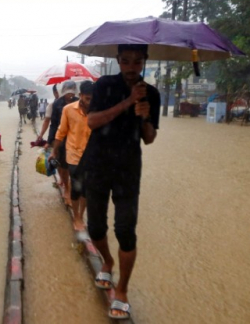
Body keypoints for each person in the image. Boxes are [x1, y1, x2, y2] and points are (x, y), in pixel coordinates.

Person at [82, 44, 160, 320]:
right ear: (118, 61)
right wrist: (127, 102)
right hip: (98, 164)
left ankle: (123, 290)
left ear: (144, 63)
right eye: (125, 61)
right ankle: (107, 260)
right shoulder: (104, 85)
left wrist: (144, 117)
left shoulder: (151, 94)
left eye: (137, 62)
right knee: (95, 227)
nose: (131, 67)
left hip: (128, 168)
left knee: (126, 230)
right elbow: (92, 122)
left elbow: (149, 138)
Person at [50, 81, 93, 231]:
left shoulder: (98, 110)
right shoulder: (68, 110)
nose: (90, 102)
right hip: (73, 154)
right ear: (80, 96)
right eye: (87, 98)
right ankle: (77, 217)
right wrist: (54, 150)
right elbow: (61, 131)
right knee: (77, 186)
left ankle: (81, 214)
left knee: (86, 189)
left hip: (91, 156)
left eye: (93, 99)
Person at [47, 81, 79, 206]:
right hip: (61, 138)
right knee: (63, 165)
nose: (70, 94)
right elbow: (54, 124)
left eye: (72, 90)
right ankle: (67, 187)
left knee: (75, 166)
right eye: (68, 90)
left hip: (76, 138)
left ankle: (71, 187)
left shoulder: (80, 102)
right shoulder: (57, 104)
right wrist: (51, 141)